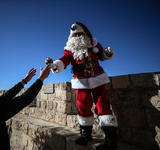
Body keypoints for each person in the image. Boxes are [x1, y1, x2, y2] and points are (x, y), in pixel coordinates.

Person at [45, 22, 118, 150]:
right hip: (81, 80)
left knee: (102, 106)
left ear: (85, 34)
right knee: (83, 106)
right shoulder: (69, 49)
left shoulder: (93, 43)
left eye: (79, 34)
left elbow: (102, 55)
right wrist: (54, 65)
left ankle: (111, 140)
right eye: (75, 34)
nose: (77, 36)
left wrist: (108, 53)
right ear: (71, 37)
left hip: (97, 77)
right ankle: (86, 135)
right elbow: (63, 61)